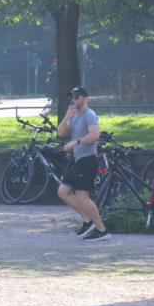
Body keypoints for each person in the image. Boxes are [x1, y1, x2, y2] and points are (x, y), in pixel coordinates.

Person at [57, 86, 111, 241]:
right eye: (72, 97)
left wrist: (77, 141)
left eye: (76, 97)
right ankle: (88, 220)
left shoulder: (89, 115)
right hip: (76, 160)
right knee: (63, 191)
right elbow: (61, 133)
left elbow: (95, 135)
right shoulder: (73, 115)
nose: (73, 100)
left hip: (88, 160)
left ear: (84, 99)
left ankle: (102, 230)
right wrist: (67, 117)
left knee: (82, 196)